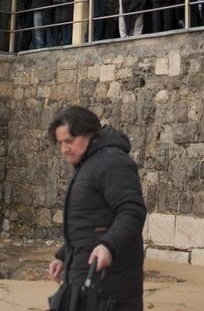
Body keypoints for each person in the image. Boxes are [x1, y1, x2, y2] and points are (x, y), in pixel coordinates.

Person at [46, 106, 146, 311]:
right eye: (60, 143)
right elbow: (91, 224)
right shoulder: (88, 164)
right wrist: (64, 256)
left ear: (89, 133)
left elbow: (132, 211)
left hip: (109, 285)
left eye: (69, 141)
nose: (64, 149)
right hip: (84, 277)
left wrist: (109, 246)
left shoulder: (112, 162)